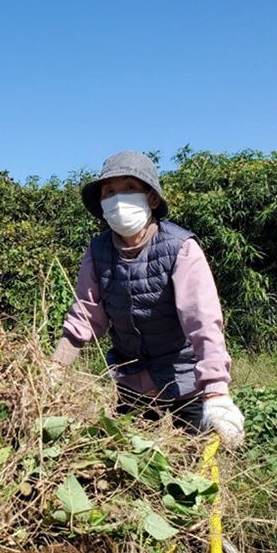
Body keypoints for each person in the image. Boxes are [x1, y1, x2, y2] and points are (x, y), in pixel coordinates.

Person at [52, 151, 245, 446]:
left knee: (193, 471)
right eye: (110, 192)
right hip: (131, 380)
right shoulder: (98, 251)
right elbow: (85, 317)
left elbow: (203, 322)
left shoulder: (181, 248)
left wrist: (216, 391)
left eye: (130, 188)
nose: (118, 199)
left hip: (184, 380)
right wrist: (54, 371)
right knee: (130, 467)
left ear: (152, 199)